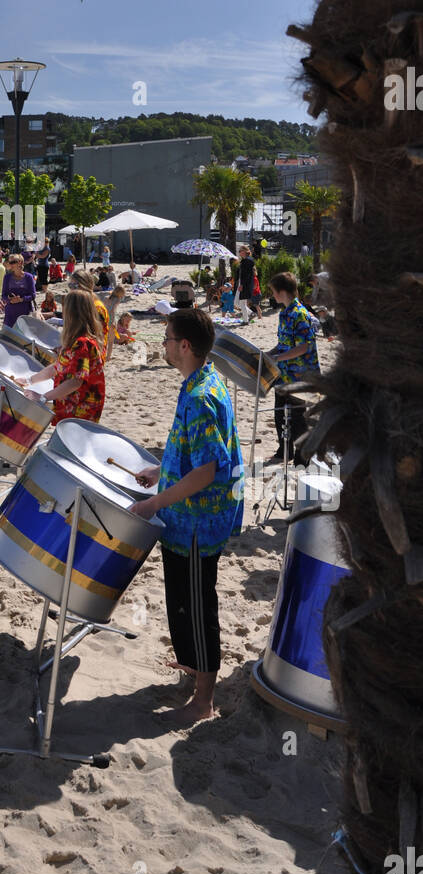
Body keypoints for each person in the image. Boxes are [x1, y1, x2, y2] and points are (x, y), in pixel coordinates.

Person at [131, 307, 244, 726]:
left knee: (198, 606)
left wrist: (153, 504)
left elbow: (206, 470)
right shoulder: (200, 381)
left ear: (184, 346)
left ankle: (204, 698)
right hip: (185, 518)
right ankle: (193, 669)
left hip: (199, 520)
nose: (161, 346)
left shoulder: (200, 396)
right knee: (180, 597)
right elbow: (193, 454)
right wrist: (160, 470)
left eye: (165, 339)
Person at [25, 289, 106, 423]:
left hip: (81, 410)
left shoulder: (82, 344)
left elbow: (76, 381)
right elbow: (57, 367)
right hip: (70, 404)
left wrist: (43, 397)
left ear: (72, 314)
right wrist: (30, 380)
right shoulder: (74, 341)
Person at [267, 272, 321, 464]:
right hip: (284, 374)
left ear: (282, 292)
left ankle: (301, 457)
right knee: (280, 413)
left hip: (301, 377)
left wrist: (279, 357)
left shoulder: (300, 314)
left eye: (273, 292)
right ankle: (285, 450)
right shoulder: (285, 313)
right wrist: (269, 354)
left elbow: (304, 346)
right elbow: (283, 344)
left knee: (299, 418)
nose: (272, 296)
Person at [69, 267, 113, 362]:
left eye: (75, 286)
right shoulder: (80, 302)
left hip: (93, 356)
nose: (72, 289)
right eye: (70, 285)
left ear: (86, 286)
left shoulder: (97, 308)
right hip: (81, 351)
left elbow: (96, 335)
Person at [1, 253, 36, 328]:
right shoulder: (7, 277)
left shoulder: (29, 277)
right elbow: (3, 295)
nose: (10, 264)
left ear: (20, 262)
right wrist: (10, 300)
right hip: (10, 313)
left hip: (24, 313)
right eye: (9, 262)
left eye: (12, 262)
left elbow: (33, 295)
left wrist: (21, 299)